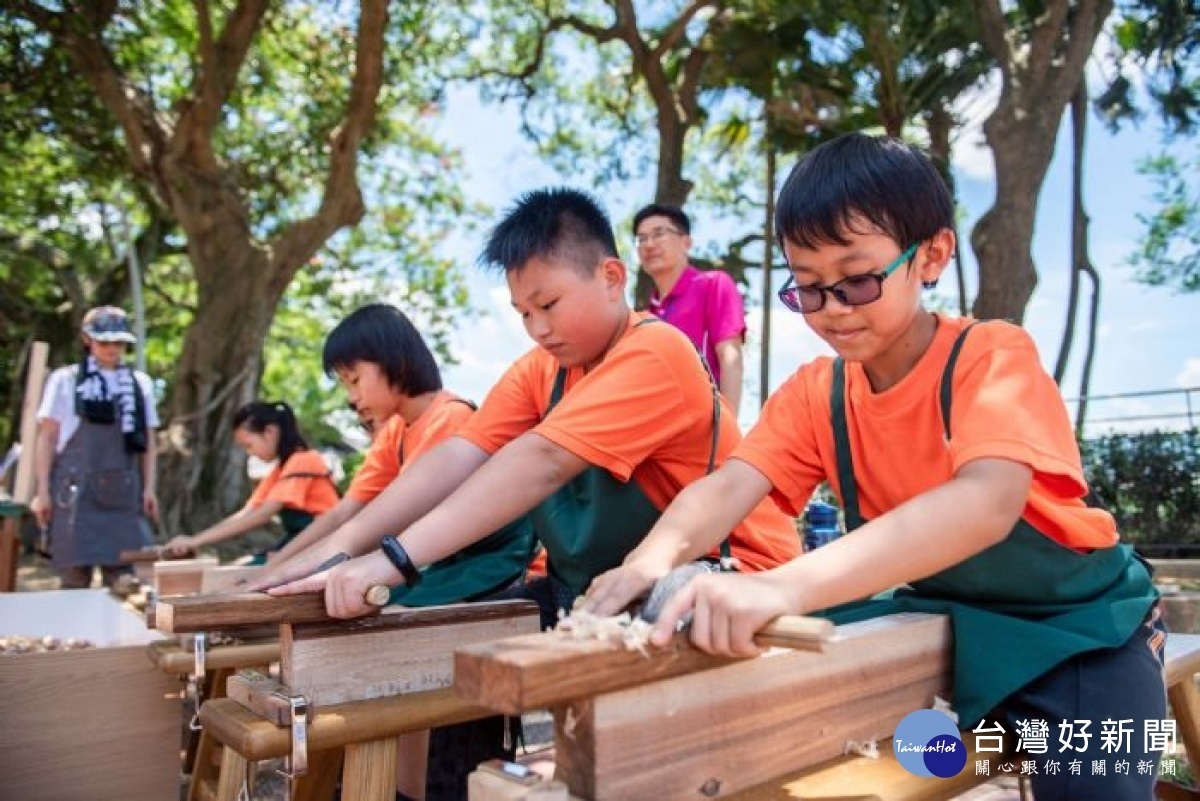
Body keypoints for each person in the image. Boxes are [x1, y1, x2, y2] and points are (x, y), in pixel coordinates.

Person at [585, 134, 1165, 801]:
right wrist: (650, 560)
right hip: (942, 613)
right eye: (807, 288)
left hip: (1079, 627)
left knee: (1096, 783)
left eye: (857, 279)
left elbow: (986, 502)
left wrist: (782, 588)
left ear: (933, 256)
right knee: (786, 722)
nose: (833, 307)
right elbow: (728, 484)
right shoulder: (816, 393)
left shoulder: (991, 356)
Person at [265, 187, 800, 634]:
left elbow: (541, 460)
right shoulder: (539, 370)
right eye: (523, 313)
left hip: (728, 569)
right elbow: (462, 454)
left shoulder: (655, 351)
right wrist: (341, 548)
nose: (538, 327)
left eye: (548, 305)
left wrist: (396, 561)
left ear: (612, 278)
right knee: (454, 638)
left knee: (664, 610)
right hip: (608, 578)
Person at [248, 303, 536, 801]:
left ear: (394, 361)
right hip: (435, 565)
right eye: (344, 384)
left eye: (355, 379)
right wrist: (272, 572)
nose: (351, 396)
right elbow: (344, 517)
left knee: (381, 638)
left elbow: (404, 526)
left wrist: (317, 571)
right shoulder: (397, 431)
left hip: (487, 569)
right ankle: (378, 782)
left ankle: (404, 784)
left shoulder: (451, 418)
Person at [32, 305, 159, 589]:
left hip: (124, 493)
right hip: (75, 491)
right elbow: (48, 437)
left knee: (126, 581)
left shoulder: (140, 385)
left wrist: (150, 487)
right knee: (74, 577)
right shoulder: (65, 381)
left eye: (118, 342)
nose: (112, 348)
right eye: (104, 341)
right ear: (88, 340)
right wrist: (41, 492)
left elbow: (149, 441)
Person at [164, 401, 338, 564]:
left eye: (249, 445)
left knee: (246, 575)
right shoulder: (280, 470)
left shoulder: (304, 460)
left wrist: (196, 541)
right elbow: (247, 513)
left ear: (269, 432)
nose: (250, 453)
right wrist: (195, 540)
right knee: (241, 567)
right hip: (300, 541)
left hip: (322, 544)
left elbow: (262, 515)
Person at [634, 203, 747, 413]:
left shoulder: (713, 285)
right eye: (641, 238)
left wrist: (727, 430)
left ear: (686, 242)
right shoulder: (643, 317)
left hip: (703, 430)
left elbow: (730, 357)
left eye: (659, 234)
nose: (649, 244)